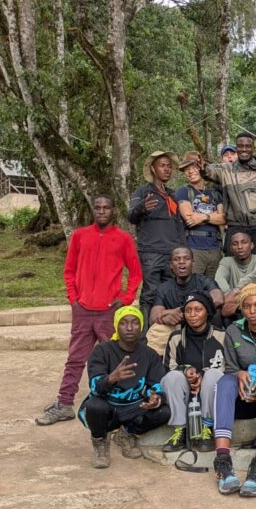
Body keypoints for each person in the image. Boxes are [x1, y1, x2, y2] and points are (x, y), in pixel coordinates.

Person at [36, 195, 142, 426]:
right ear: (93, 210)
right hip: (83, 310)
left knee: (116, 359)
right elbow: (69, 270)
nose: (102, 211)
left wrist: (124, 299)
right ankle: (64, 404)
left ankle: (122, 407)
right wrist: (74, 299)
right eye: (98, 208)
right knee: (75, 358)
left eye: (107, 207)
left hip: (109, 312)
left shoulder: (123, 239)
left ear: (113, 211)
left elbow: (135, 273)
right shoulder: (80, 236)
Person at [78, 307, 171, 469]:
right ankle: (100, 441)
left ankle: (127, 433)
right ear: (116, 326)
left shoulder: (150, 355)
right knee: (94, 406)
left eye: (135, 323)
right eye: (124, 323)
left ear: (141, 327)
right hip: (109, 408)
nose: (129, 328)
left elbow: (156, 385)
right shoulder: (102, 351)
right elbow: (95, 388)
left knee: (164, 411)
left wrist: (155, 399)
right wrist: (111, 379)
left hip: (134, 407)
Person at [212, 285, 256, 497]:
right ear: (241, 309)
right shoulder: (233, 330)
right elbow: (231, 367)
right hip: (241, 397)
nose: (252, 311)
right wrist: (238, 373)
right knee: (224, 381)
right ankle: (223, 462)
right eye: (247, 306)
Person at [159, 292, 224, 453]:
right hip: (187, 390)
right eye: (188, 310)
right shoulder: (176, 337)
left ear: (207, 311)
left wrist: (202, 374)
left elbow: (228, 367)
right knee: (172, 377)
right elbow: (168, 367)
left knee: (212, 375)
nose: (192, 315)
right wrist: (186, 370)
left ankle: (207, 428)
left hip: (211, 390)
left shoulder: (221, 335)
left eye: (198, 310)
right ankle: (180, 429)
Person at [128, 151, 185, 319]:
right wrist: (142, 208)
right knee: (150, 293)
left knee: (171, 292)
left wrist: (183, 249)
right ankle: (144, 336)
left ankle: (167, 334)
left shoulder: (173, 195)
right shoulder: (142, 192)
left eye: (169, 166)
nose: (166, 169)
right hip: (151, 252)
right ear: (153, 169)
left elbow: (179, 225)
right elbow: (131, 216)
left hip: (173, 252)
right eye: (162, 166)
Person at [203, 132, 256, 255]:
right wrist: (201, 166)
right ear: (237, 148)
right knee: (231, 264)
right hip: (235, 226)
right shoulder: (226, 170)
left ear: (253, 148)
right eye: (240, 146)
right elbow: (209, 172)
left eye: (248, 146)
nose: (244, 149)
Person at [147, 247, 224, 353]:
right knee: (157, 328)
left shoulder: (203, 281)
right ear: (171, 265)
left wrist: (187, 312)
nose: (181, 262)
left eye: (186, 258)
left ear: (192, 262)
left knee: (216, 313)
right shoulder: (164, 288)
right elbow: (153, 317)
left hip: (202, 326)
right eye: (177, 259)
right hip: (176, 329)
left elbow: (218, 299)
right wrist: (166, 317)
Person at [175, 151, 226, 278]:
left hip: (215, 248)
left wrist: (203, 216)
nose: (190, 171)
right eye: (186, 169)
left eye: (193, 167)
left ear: (201, 168)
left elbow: (224, 219)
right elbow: (189, 218)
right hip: (194, 249)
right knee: (193, 286)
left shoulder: (214, 194)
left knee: (212, 288)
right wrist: (214, 216)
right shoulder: (183, 192)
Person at [215, 231, 256, 296]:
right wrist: (229, 294)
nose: (240, 247)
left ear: (251, 245)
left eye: (244, 242)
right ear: (231, 248)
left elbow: (255, 275)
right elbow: (219, 279)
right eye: (235, 244)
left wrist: (236, 289)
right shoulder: (226, 261)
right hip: (233, 300)